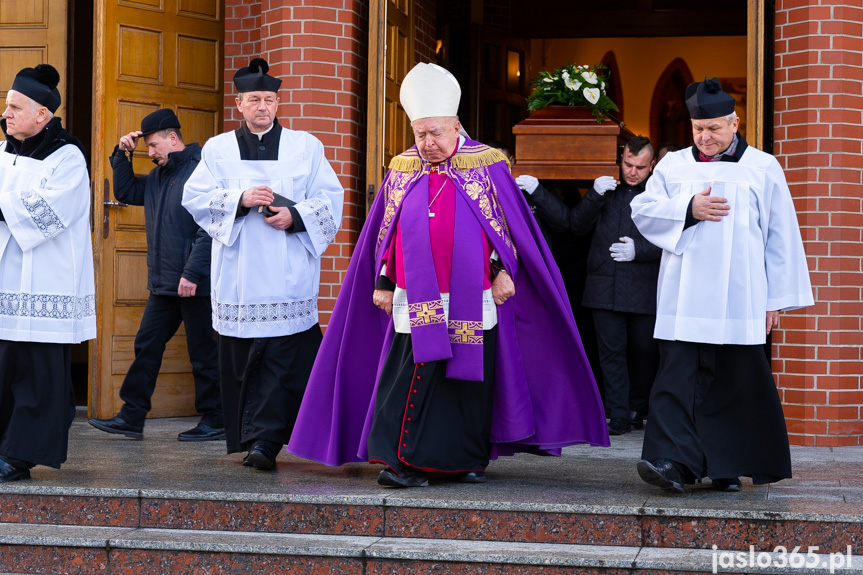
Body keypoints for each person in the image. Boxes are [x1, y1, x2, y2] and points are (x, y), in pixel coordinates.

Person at [287, 62, 608, 488]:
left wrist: (502, 271)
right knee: (414, 371)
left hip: (473, 294)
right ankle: (404, 461)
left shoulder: (487, 165)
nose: (428, 142)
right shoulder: (403, 167)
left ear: (456, 125)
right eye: (420, 133)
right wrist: (383, 281)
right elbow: (386, 231)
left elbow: (506, 228)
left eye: (436, 132)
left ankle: (463, 458)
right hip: (414, 292)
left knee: (469, 379)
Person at [630, 77, 813, 493]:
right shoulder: (674, 166)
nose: (705, 137)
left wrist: (775, 302)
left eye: (714, 128)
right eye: (698, 129)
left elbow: (780, 237)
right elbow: (642, 211)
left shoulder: (763, 167)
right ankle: (671, 462)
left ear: (734, 122)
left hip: (740, 298)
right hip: (685, 294)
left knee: (733, 382)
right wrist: (688, 208)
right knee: (675, 379)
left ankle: (727, 466)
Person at [182, 57, 344, 471]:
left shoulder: (306, 146)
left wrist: (296, 216)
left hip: (287, 271)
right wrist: (238, 200)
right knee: (244, 360)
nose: (262, 107)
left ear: (277, 102)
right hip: (239, 273)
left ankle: (267, 442)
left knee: (282, 358)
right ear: (238, 104)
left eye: (269, 99)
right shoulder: (217, 149)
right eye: (254, 99)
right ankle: (252, 438)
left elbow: (330, 197)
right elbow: (195, 199)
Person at [88, 109, 223, 442]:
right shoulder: (160, 177)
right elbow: (126, 192)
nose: (150, 153)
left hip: (195, 284)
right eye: (146, 147)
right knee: (146, 345)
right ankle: (132, 417)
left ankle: (216, 418)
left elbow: (210, 228)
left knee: (203, 352)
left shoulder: (199, 172)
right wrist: (123, 154)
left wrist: (192, 273)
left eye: (153, 145)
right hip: (164, 285)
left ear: (172, 138)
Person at [516, 136, 661, 436]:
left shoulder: (660, 195)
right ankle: (619, 413)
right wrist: (594, 194)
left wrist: (641, 250)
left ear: (652, 165)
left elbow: (673, 238)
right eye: (628, 165)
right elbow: (574, 225)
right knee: (610, 352)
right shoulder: (607, 191)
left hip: (644, 287)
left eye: (640, 167)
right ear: (619, 159)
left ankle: (637, 406)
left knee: (644, 350)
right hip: (603, 287)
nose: (632, 172)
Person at [0, 64, 96, 482]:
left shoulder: (67, 156)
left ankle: (21, 454)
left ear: (43, 114)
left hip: (45, 281)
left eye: (15, 107)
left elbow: (50, 214)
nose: (6, 113)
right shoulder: (2, 151)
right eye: (6, 105)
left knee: (37, 373)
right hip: (6, 280)